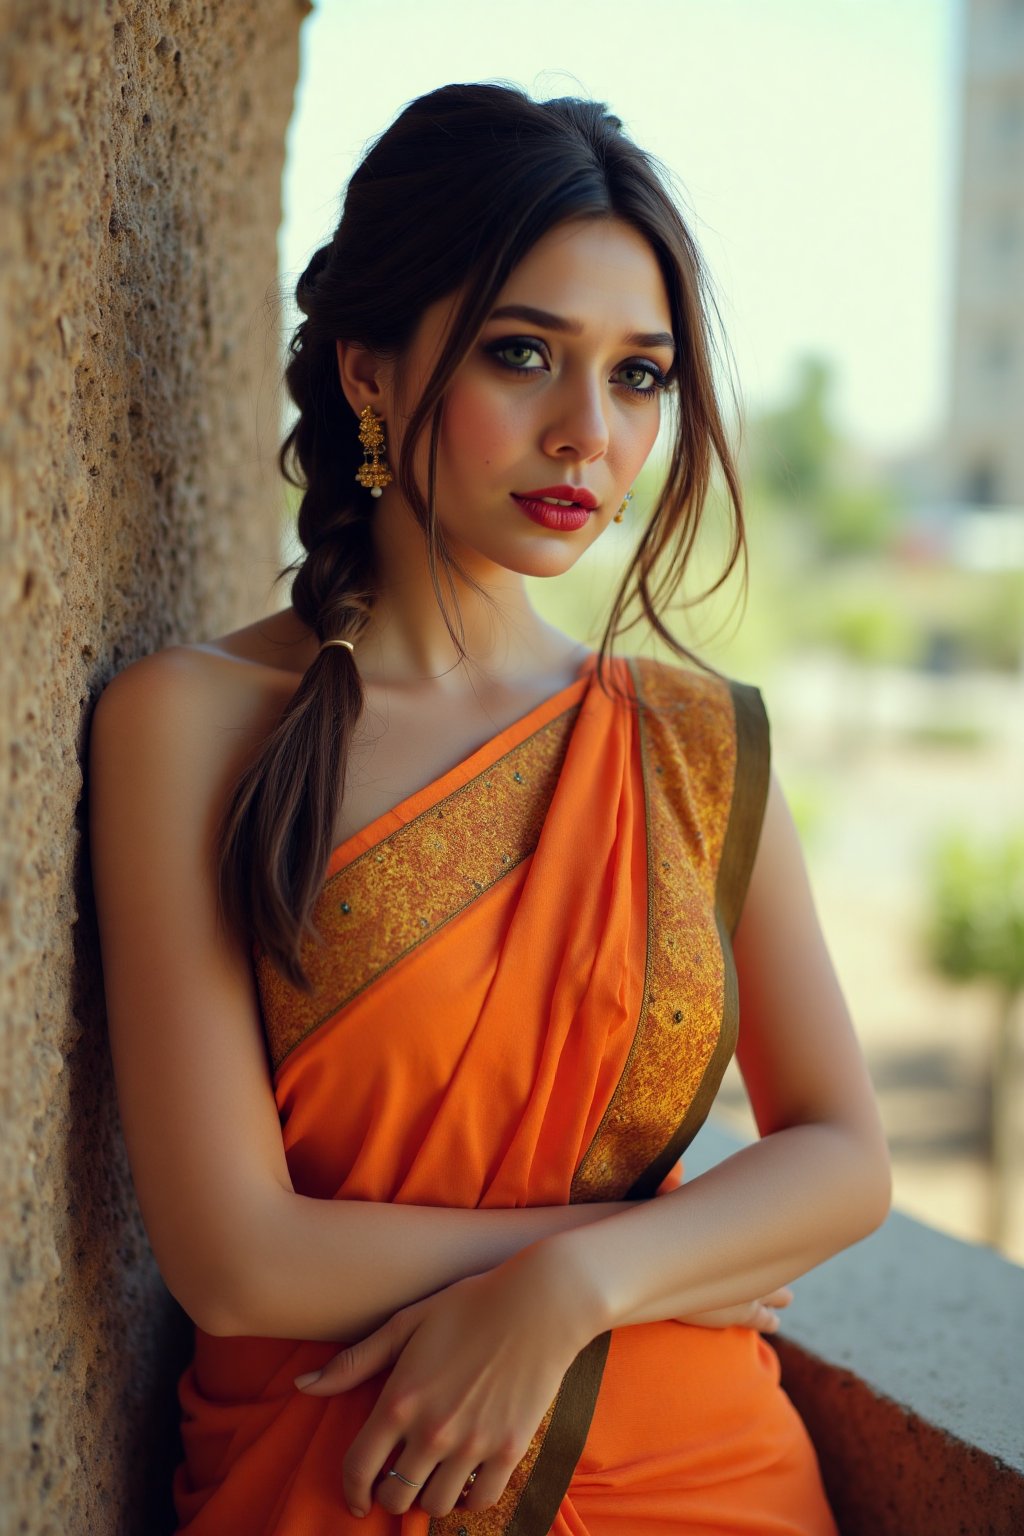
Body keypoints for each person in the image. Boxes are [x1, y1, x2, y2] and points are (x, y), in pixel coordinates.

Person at [88, 82, 891, 1535]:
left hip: (712, 1475)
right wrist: (660, 1246)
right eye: (526, 355)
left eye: (640, 376)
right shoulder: (191, 728)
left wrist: (574, 1289)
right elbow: (237, 1261)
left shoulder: (691, 746)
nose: (590, 432)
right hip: (342, 1476)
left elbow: (841, 1155)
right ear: (369, 371)